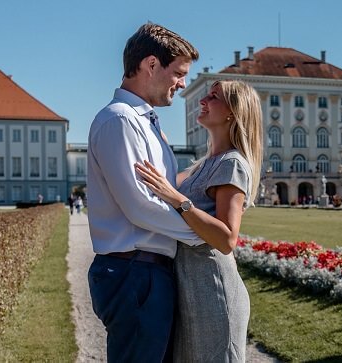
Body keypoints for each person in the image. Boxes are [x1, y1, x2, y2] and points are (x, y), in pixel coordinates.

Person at [86, 23, 200, 362]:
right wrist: (205, 233)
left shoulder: (144, 122)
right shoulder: (120, 120)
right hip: (135, 273)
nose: (182, 84)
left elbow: (163, 193)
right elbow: (140, 208)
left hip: (144, 273)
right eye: (178, 73)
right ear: (151, 64)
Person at [135, 79, 263, 362]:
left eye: (213, 96)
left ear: (233, 112)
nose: (203, 100)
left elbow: (227, 239)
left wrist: (177, 199)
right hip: (191, 289)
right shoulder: (203, 164)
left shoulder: (232, 163)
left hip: (214, 291)